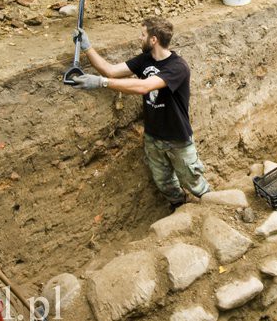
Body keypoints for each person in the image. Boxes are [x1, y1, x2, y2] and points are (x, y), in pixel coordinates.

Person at [71, 17, 210, 211]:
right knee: (165, 183)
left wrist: (100, 83)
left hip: (177, 137)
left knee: (193, 181)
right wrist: (87, 47)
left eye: (142, 34)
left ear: (153, 40)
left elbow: (144, 86)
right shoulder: (144, 60)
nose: (139, 38)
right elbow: (110, 70)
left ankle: (215, 209)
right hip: (153, 137)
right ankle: (179, 209)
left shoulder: (177, 67)